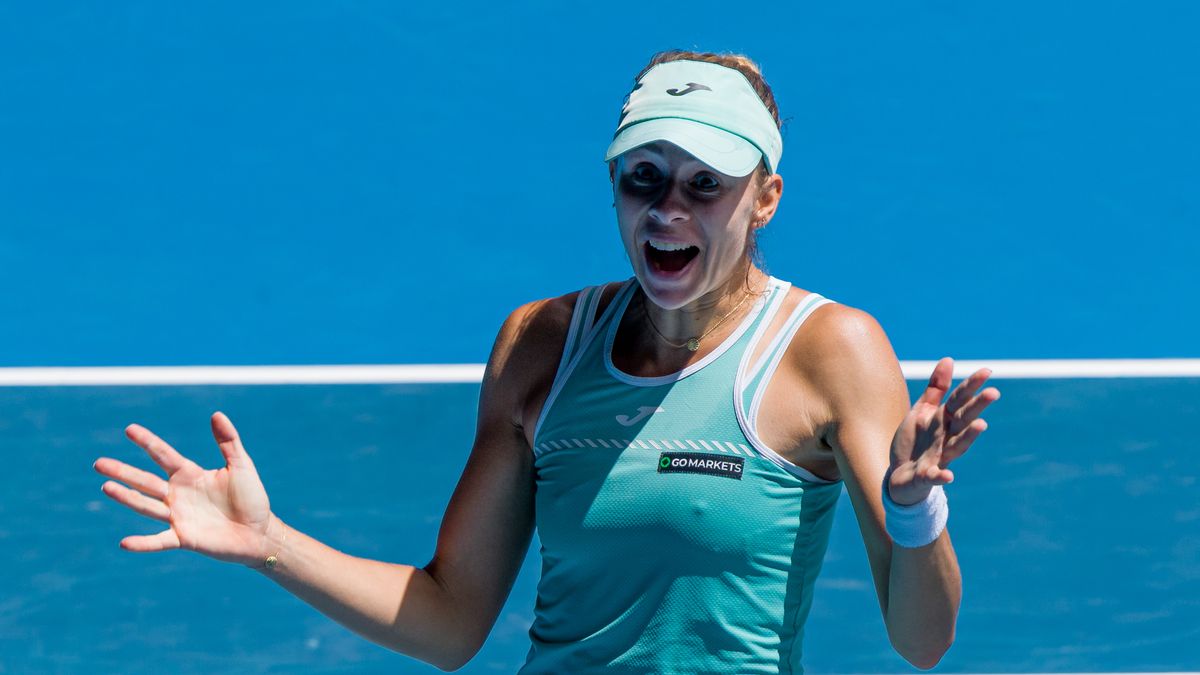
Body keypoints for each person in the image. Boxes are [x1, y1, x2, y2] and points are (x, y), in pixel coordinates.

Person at [93, 49, 1000, 673]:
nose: (668, 209)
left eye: (705, 185)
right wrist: (269, 544)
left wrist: (914, 511)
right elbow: (451, 618)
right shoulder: (542, 343)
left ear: (766, 199)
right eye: (644, 177)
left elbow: (922, 641)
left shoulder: (830, 348)